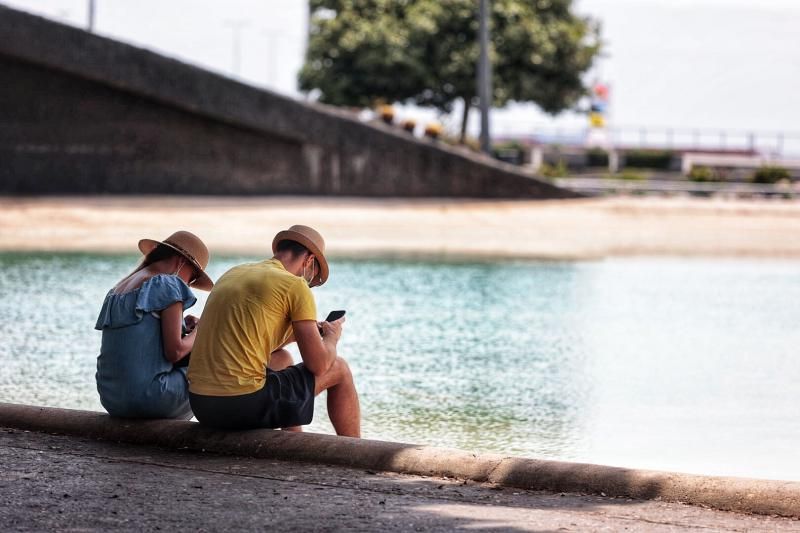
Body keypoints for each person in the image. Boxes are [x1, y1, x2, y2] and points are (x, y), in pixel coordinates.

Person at [187, 225, 360, 437]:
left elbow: (250, 339)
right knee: (339, 368)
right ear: (309, 261)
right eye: (312, 278)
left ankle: (293, 441)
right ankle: (357, 449)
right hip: (239, 406)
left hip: (201, 405)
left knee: (283, 359)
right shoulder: (295, 285)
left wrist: (299, 335)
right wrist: (331, 338)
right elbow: (319, 365)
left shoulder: (234, 273)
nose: (308, 283)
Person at [95, 230, 213, 419]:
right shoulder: (168, 284)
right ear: (181, 261)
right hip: (149, 398)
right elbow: (175, 352)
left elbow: (139, 337)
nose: (188, 284)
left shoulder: (116, 290)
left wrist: (183, 325)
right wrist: (202, 329)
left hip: (112, 399)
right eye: (191, 277)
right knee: (215, 365)